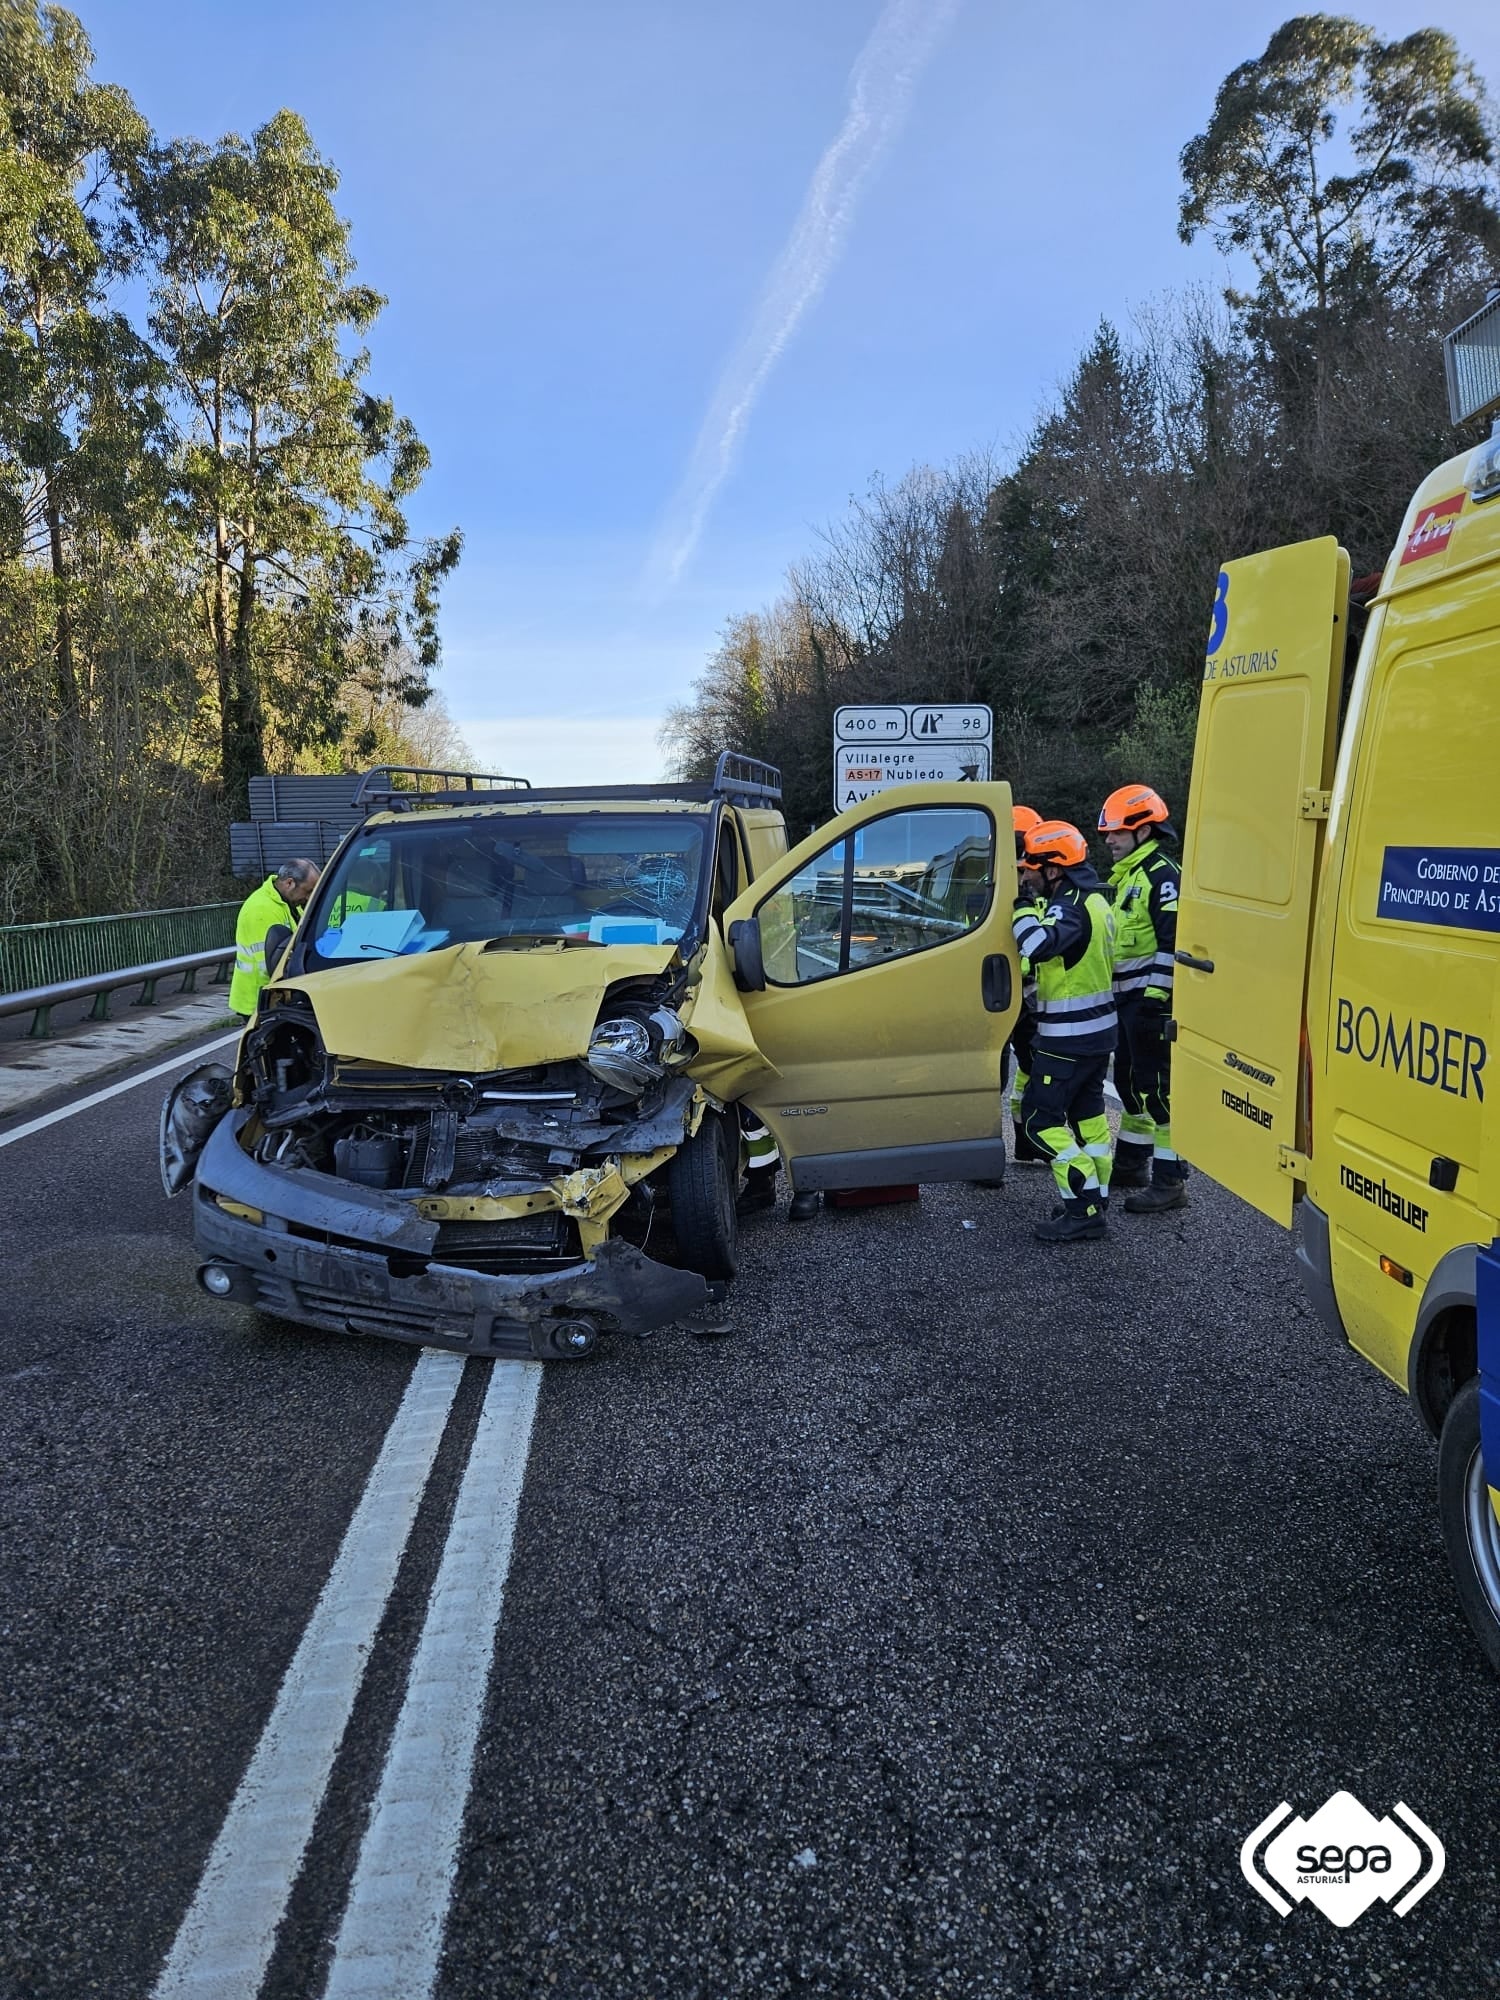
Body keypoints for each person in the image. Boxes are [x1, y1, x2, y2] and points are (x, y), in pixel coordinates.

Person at [1011, 821, 1117, 1243]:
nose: (1024, 877)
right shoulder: (1095, 901)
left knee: (1040, 1120)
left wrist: (1019, 907)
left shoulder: (1069, 905)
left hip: (1068, 1038)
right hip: (1097, 1035)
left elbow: (1037, 945)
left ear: (1053, 869)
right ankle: (1095, 1197)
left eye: (1029, 869)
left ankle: (1083, 1208)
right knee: (1090, 1119)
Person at [1099, 784, 1188, 1214]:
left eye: (1116, 832)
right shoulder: (1129, 877)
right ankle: (1133, 1162)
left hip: (1151, 1003)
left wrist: (1157, 998)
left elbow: (1174, 944)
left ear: (1144, 830)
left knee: (1158, 1091)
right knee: (1132, 1087)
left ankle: (1171, 1181)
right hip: (1128, 1001)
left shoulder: (1161, 875)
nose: (1109, 840)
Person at [1005, 805, 1050, 1165]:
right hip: (1002, 990)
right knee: (998, 1074)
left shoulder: (1039, 881)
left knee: (1032, 1070)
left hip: (1028, 991)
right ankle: (996, 1150)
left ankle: (1027, 1141)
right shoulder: (999, 880)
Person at [229, 859, 320, 1017]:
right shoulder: (261, 910)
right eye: (308, 891)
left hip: (272, 998)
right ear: (289, 883)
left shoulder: (286, 902)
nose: (308, 898)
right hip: (260, 999)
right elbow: (270, 964)